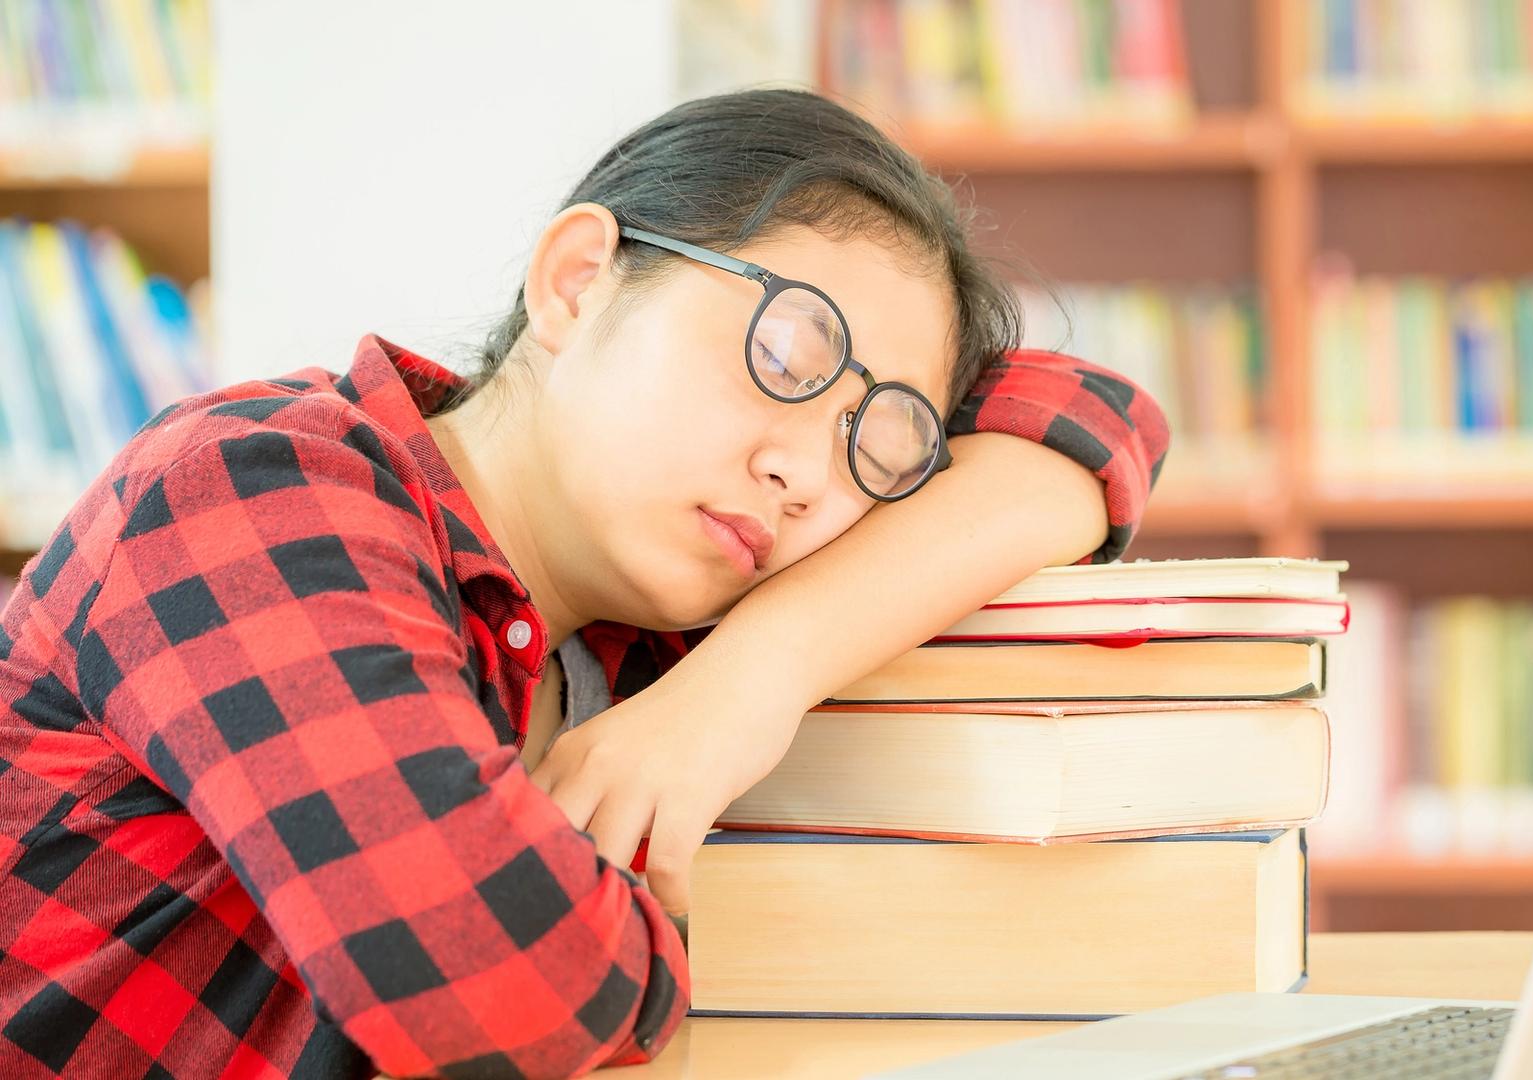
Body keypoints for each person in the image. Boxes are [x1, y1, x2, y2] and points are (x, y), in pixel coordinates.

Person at [0, 89, 1167, 1077]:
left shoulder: (631, 652)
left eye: (880, 444)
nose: (808, 474)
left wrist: (754, 679)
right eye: (786, 356)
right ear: (574, 283)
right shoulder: (252, 488)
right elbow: (484, 984)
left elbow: (1098, 419)